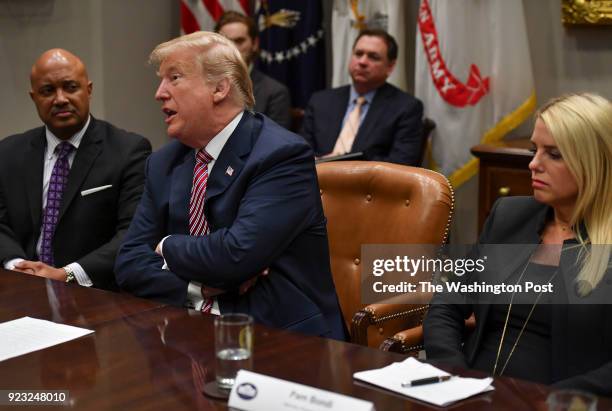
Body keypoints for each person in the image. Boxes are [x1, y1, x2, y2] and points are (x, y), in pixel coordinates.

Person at [114, 32, 346, 340]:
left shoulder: (280, 155)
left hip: (277, 334)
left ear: (219, 88)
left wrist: (166, 246)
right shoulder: (163, 162)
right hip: (185, 330)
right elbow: (128, 263)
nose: (159, 93)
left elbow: (234, 256)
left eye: (174, 78)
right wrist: (195, 285)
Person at [423, 93, 612, 396]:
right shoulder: (509, 216)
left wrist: (548, 401)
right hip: (469, 395)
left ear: (594, 162)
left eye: (554, 154)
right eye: (534, 150)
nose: (533, 164)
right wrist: (452, 372)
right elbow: (448, 303)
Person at [0, 49, 151, 290]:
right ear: (33, 97)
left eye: (70, 87)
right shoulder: (8, 153)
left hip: (95, 293)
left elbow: (132, 233)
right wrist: (18, 266)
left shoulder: (128, 151)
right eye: (48, 91)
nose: (60, 99)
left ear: (88, 90)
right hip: (22, 288)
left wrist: (67, 274)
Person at [301, 29, 423, 165]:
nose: (362, 62)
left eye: (373, 57)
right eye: (358, 54)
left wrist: (345, 166)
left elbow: (401, 164)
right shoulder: (320, 101)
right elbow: (300, 153)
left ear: (390, 66)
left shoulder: (406, 108)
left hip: (369, 185)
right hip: (317, 181)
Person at [215, 11, 292, 130]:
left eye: (239, 41)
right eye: (224, 42)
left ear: (254, 44)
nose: (232, 48)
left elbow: (276, 144)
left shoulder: (275, 93)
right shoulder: (203, 87)